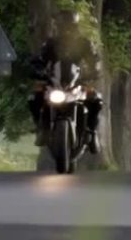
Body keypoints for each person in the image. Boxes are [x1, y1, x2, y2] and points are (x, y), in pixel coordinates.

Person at [28, 10, 103, 153]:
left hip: (77, 81)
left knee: (96, 99)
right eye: (63, 26)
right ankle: (41, 129)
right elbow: (40, 59)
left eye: (69, 26)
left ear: (75, 26)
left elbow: (94, 59)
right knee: (34, 97)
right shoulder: (50, 43)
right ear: (58, 26)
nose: (66, 30)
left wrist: (94, 71)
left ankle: (92, 133)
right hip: (54, 81)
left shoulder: (84, 43)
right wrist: (38, 69)